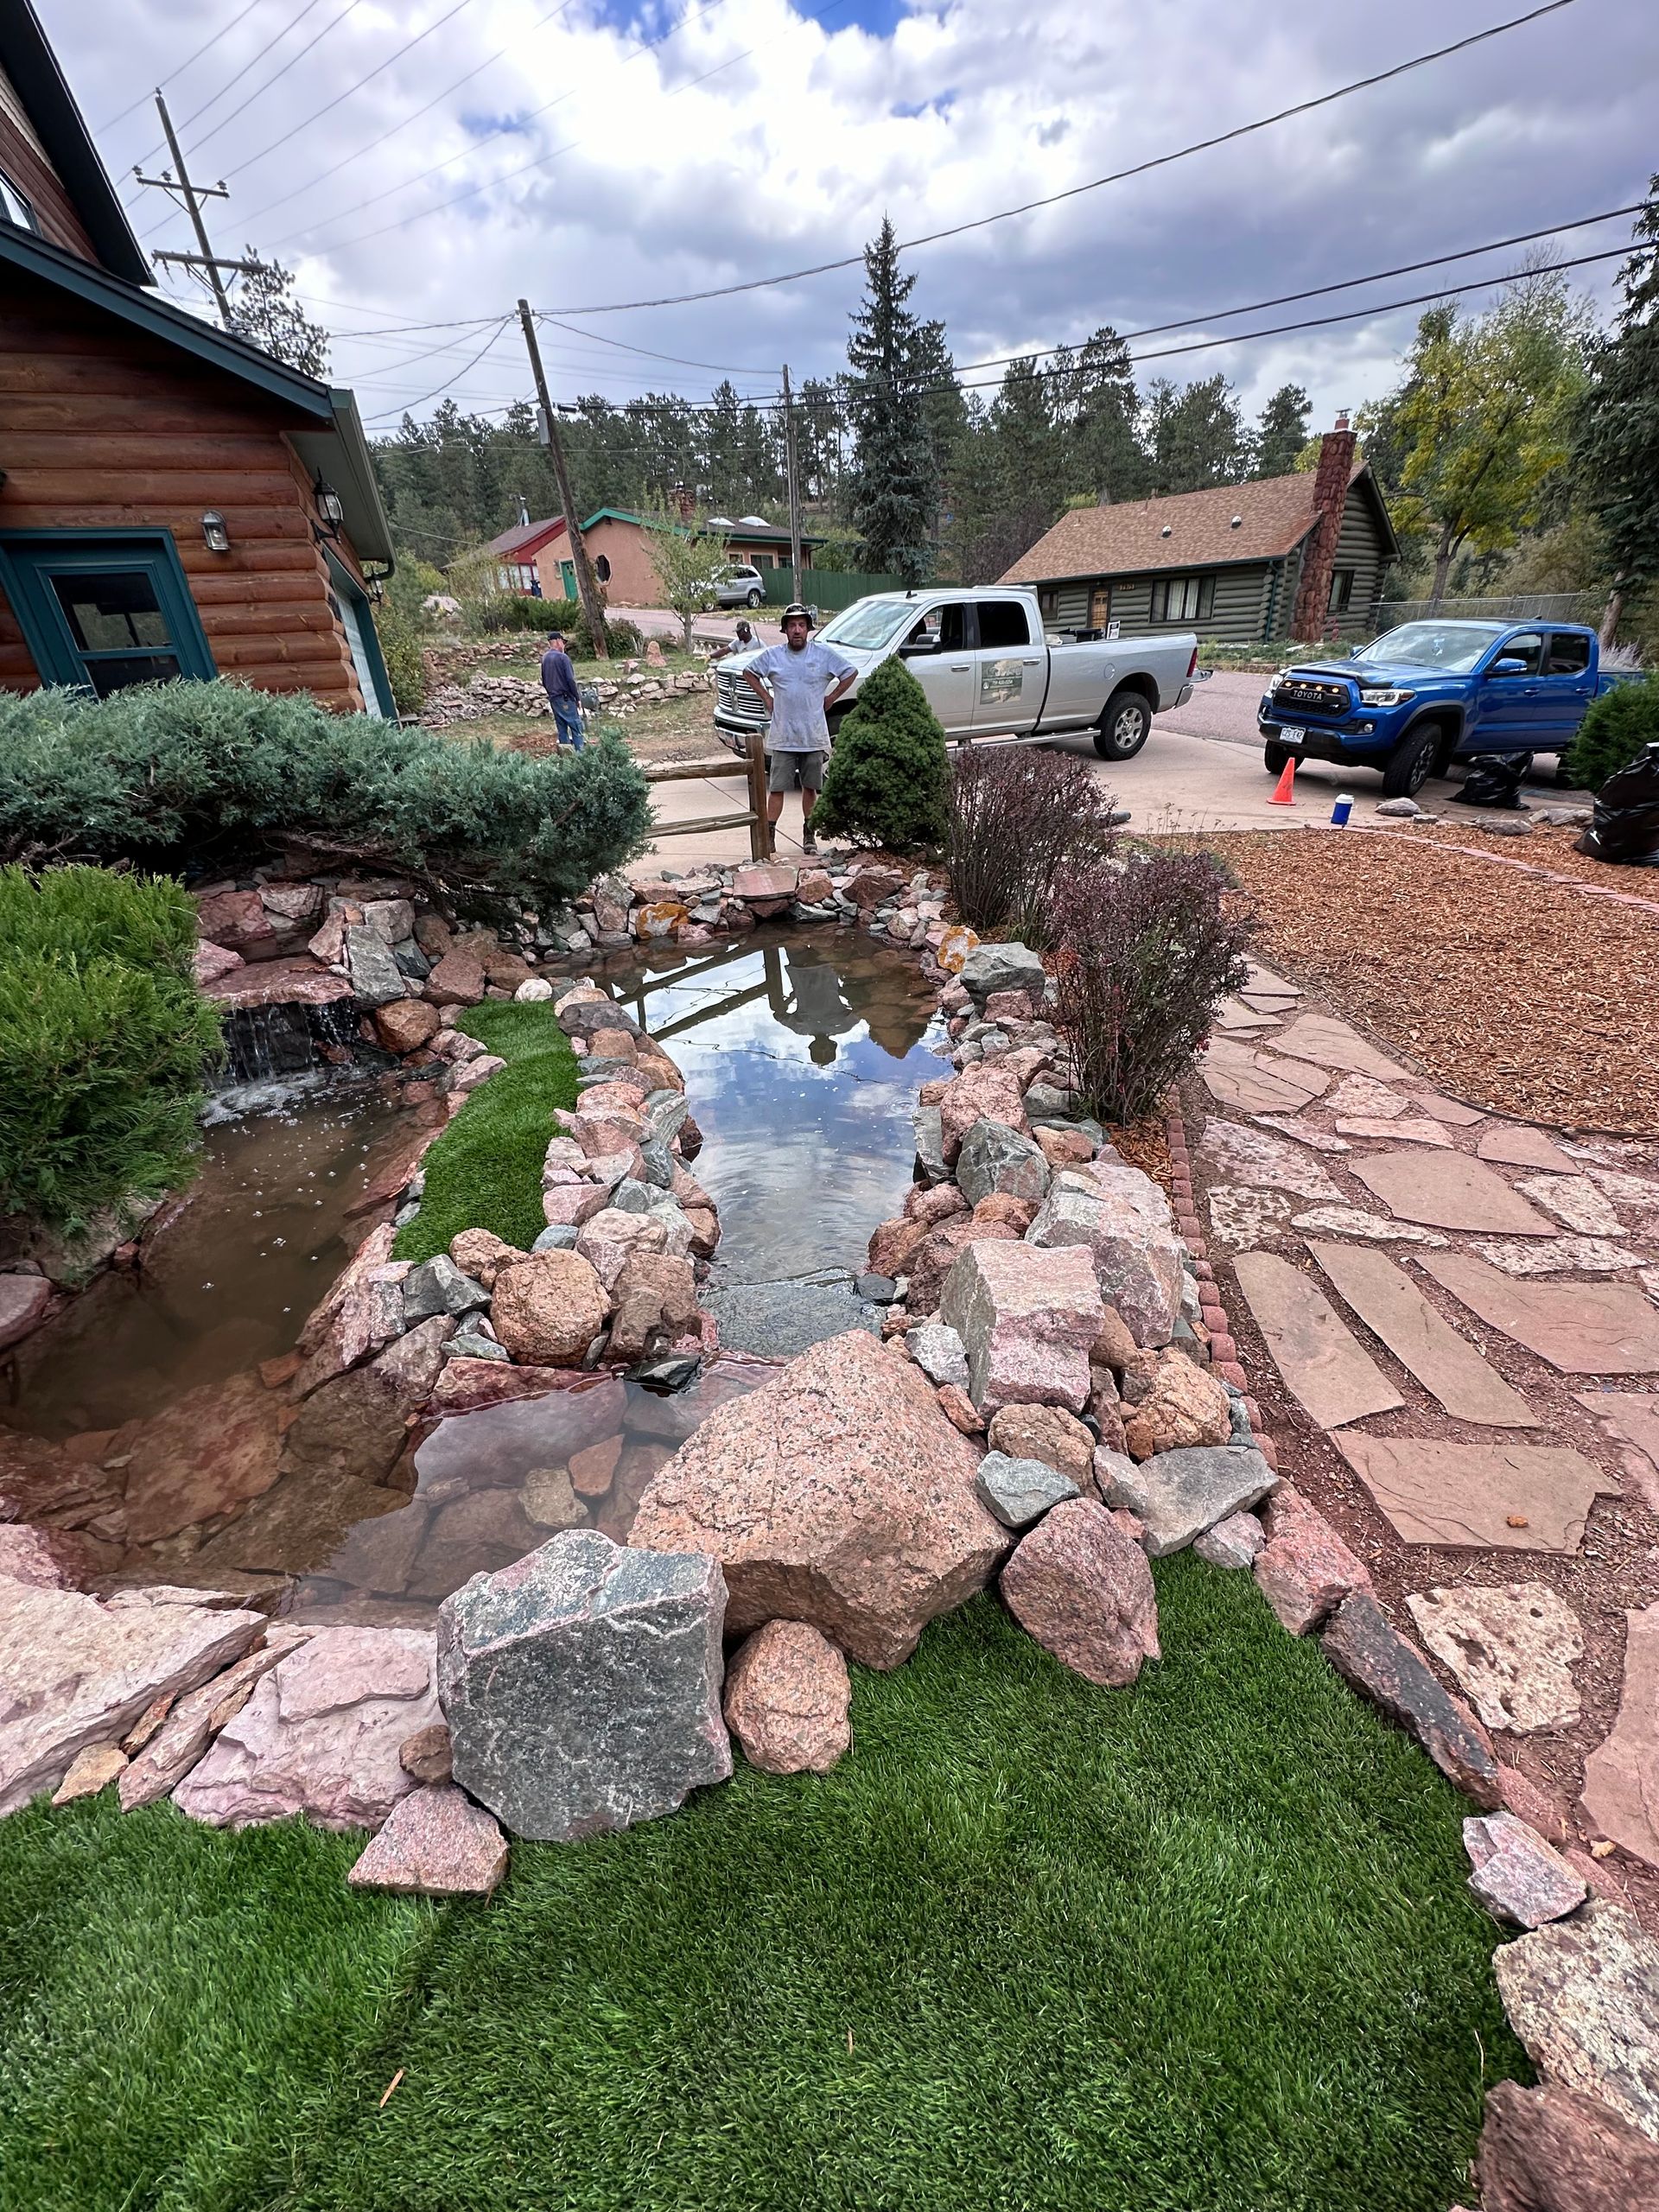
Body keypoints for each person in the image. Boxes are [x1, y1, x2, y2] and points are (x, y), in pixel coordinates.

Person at [742, 603, 855, 855]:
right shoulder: (773, 656)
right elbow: (749, 672)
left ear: (808, 629)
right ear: (784, 629)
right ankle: (769, 834)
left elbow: (850, 672)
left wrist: (832, 697)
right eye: (792, 625)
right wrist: (766, 698)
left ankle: (809, 834)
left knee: (810, 788)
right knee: (778, 788)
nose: (797, 630)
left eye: (801, 625)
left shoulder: (822, 655)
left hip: (813, 736)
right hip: (783, 736)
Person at [539, 629, 583, 751]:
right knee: (576, 727)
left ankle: (566, 756)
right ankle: (581, 757)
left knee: (562, 728)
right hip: (565, 698)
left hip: (554, 699)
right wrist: (577, 697)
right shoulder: (563, 658)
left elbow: (544, 680)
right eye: (563, 642)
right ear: (558, 641)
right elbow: (570, 679)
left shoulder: (545, 658)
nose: (564, 645)